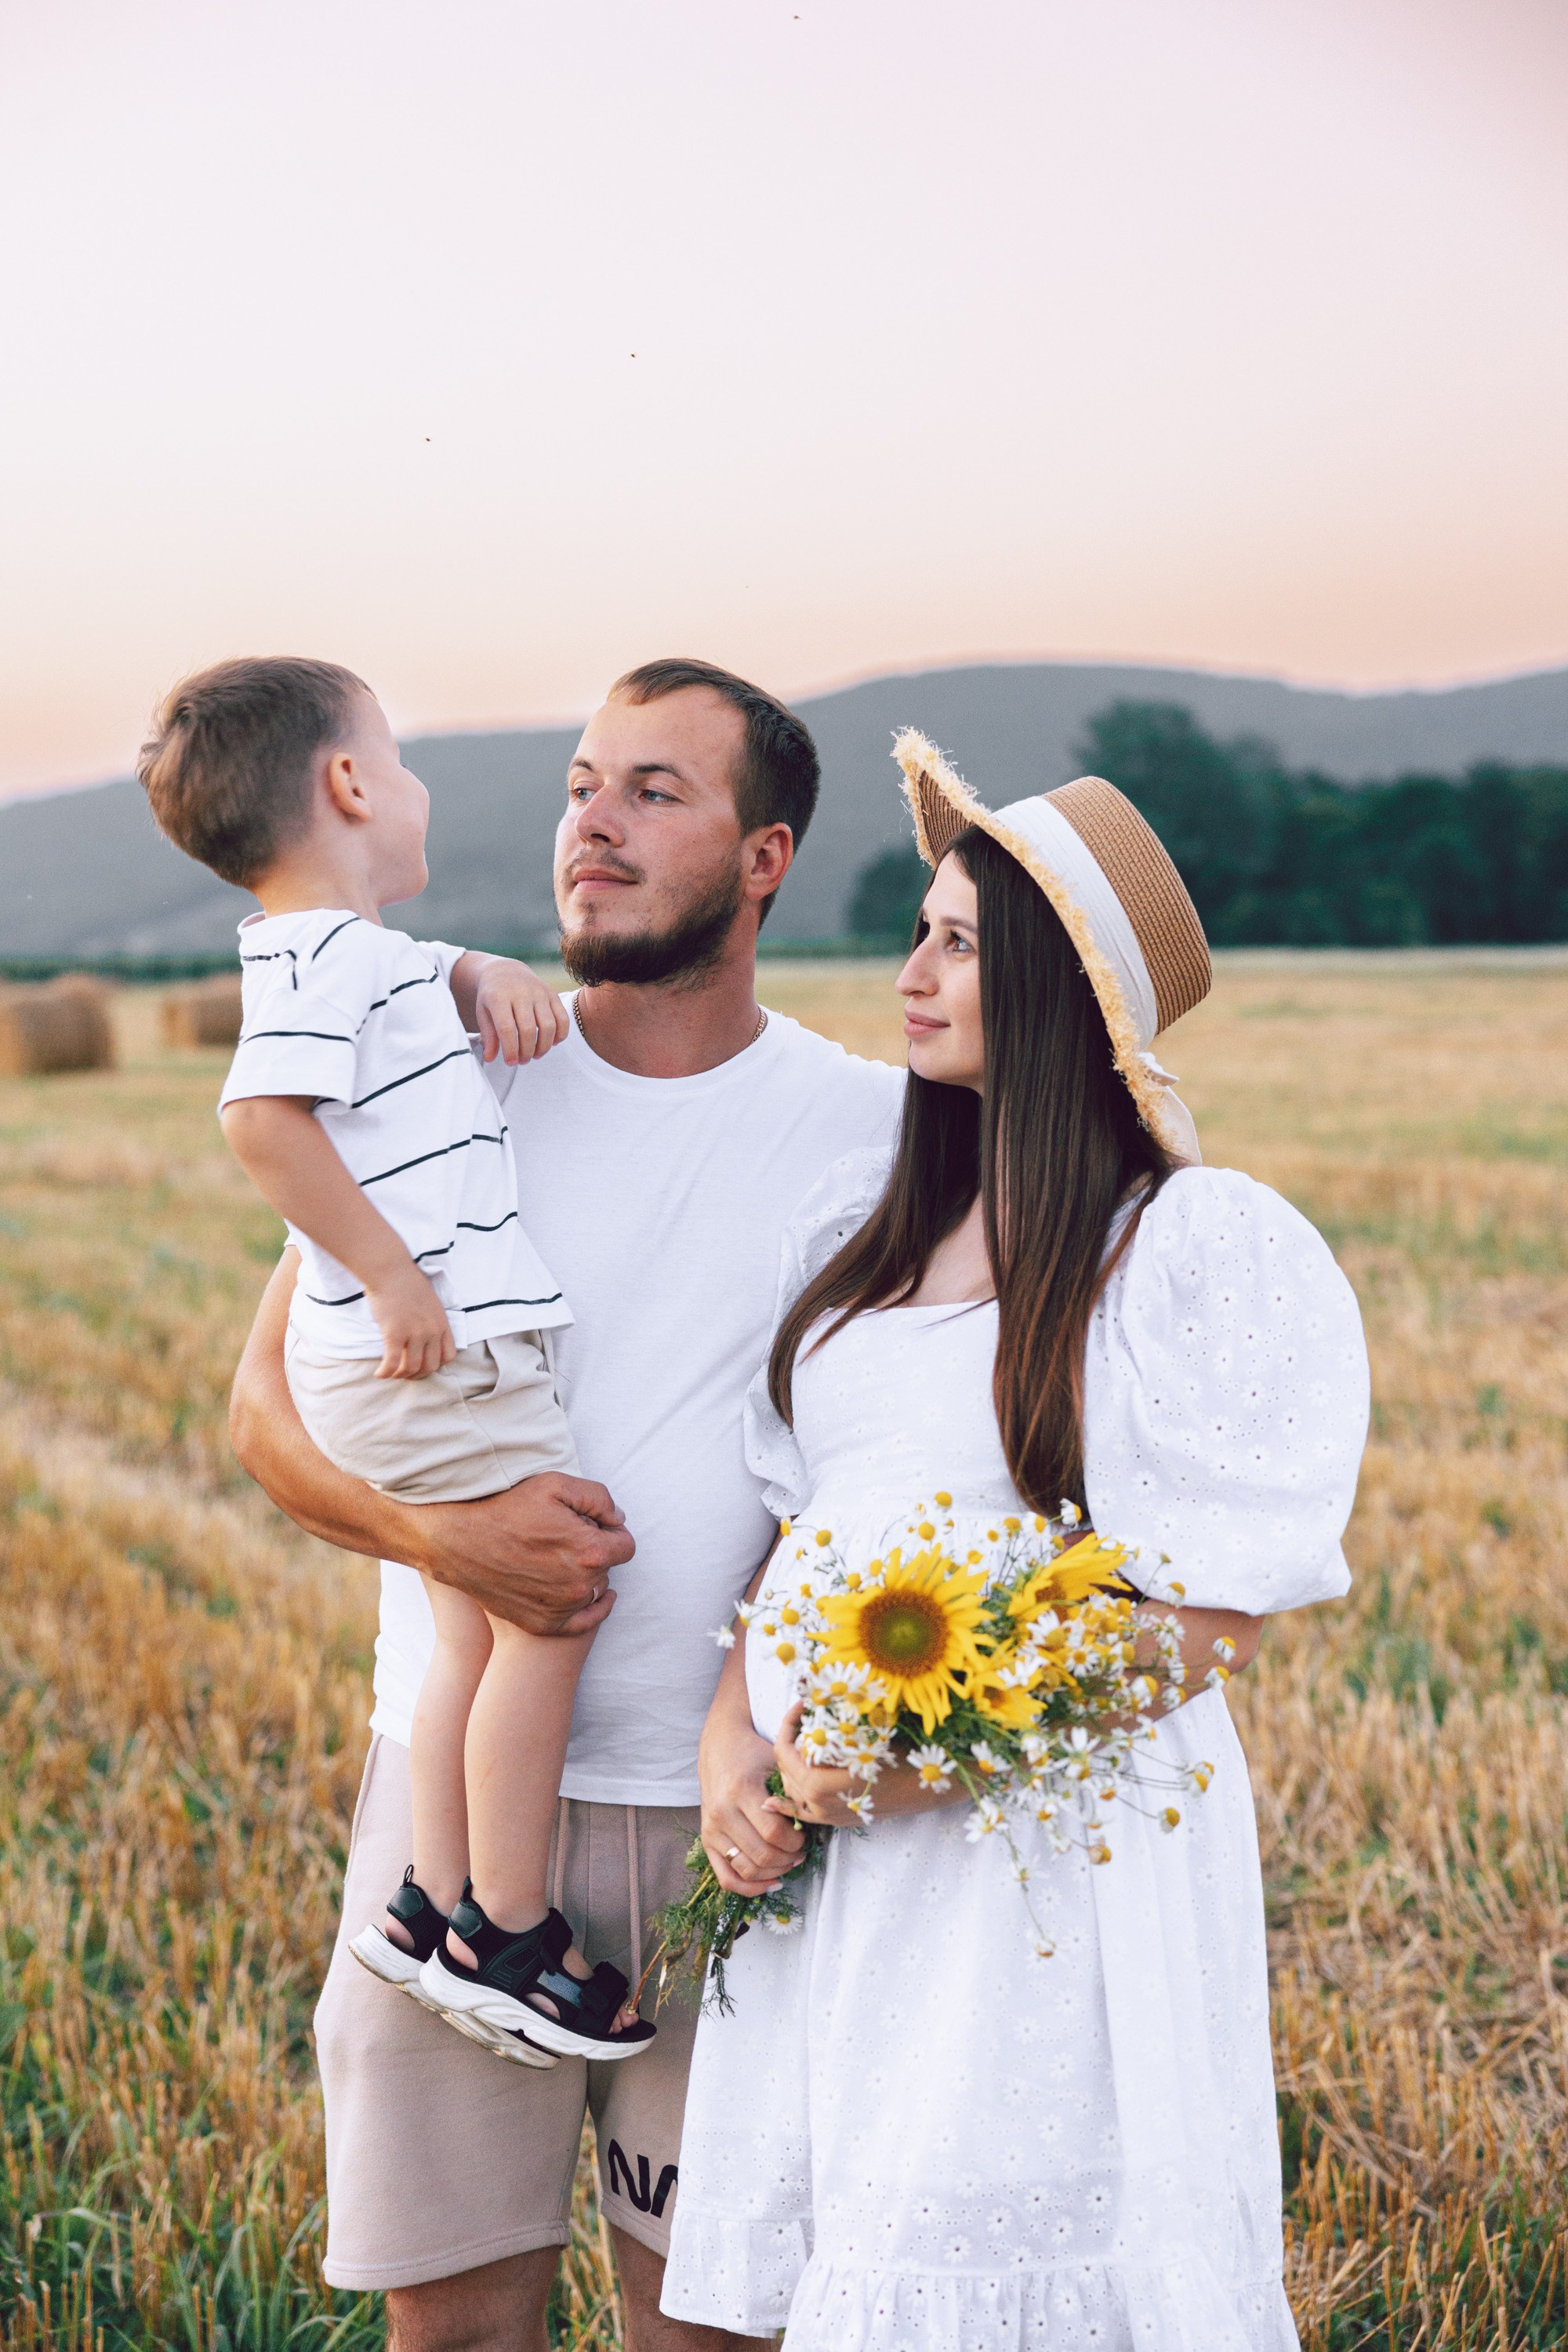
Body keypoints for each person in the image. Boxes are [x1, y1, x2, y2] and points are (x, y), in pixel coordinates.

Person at [227, 658, 905, 2349]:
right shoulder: (434, 1077)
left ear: (764, 856)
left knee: (710, 2334)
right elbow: (263, 1419)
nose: (590, 823)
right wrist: (449, 1545)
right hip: (449, 1818)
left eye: (653, 791)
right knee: (453, 2330)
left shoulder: (874, 1132)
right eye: (581, 783)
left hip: (731, 1824)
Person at [662, 735, 1370, 2351]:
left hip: (1033, 1877)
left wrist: (923, 1757)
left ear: (1052, 989)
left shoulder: (1184, 1247)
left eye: (958, 942)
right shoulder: (866, 1240)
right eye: (917, 931)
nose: (910, 971)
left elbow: (1203, 1625)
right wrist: (734, 1762)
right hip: (834, 1864)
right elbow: (794, 1552)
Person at [142, 655, 655, 2066]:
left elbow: (406, 986)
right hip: (435, 1360)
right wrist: (390, 1277)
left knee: (465, 1634)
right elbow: (262, 1123)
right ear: (351, 785)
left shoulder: (338, 952)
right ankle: (507, 1925)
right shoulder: (330, 956)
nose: (420, 785)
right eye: (403, 759)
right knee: (553, 1607)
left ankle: (430, 1899)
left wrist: (479, 967)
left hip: (387, 1376)